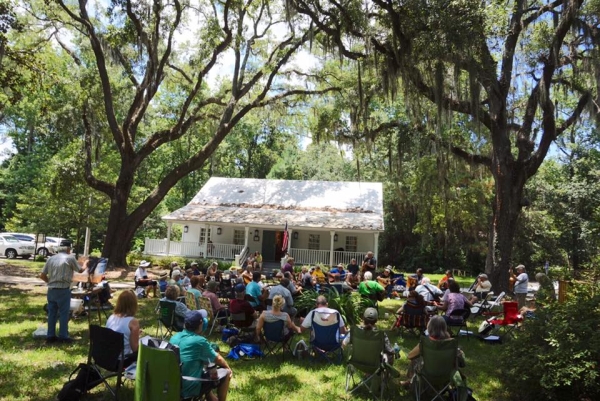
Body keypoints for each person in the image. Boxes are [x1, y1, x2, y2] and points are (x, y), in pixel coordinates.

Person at [170, 310, 232, 401]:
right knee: (226, 372)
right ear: (200, 324)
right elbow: (217, 358)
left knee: (202, 369)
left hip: (175, 386)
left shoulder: (174, 337)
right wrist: (228, 367)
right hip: (190, 388)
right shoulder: (199, 341)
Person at [40, 244, 86, 344]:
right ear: (68, 250)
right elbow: (80, 270)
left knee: (52, 313)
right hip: (63, 290)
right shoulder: (70, 258)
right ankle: (63, 336)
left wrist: (49, 282)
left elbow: (42, 275)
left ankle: (50, 336)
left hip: (51, 290)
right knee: (64, 313)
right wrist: (86, 264)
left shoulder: (51, 259)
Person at [404, 315, 466, 388]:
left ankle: (410, 382)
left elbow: (410, 356)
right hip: (446, 377)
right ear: (445, 328)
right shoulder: (452, 345)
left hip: (427, 376)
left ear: (429, 327)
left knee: (415, 360)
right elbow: (462, 363)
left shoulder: (425, 343)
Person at [106, 290, 141, 367]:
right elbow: (135, 349)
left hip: (107, 357)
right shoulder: (133, 322)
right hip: (122, 360)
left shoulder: (111, 317)